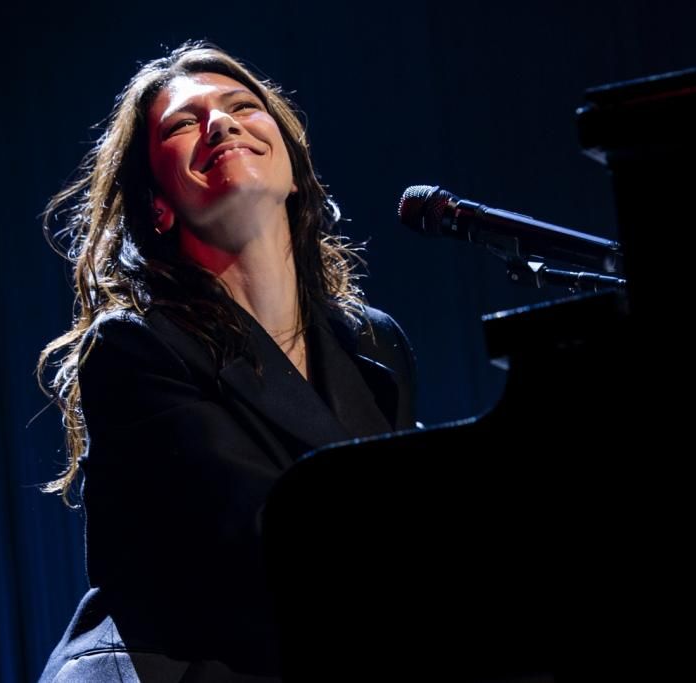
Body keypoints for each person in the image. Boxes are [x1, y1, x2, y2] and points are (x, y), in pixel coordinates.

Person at [36, 41, 418, 682]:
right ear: (157, 204)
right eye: (182, 124)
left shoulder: (373, 344)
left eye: (243, 106)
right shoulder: (134, 347)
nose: (221, 123)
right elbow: (263, 540)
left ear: (293, 171)